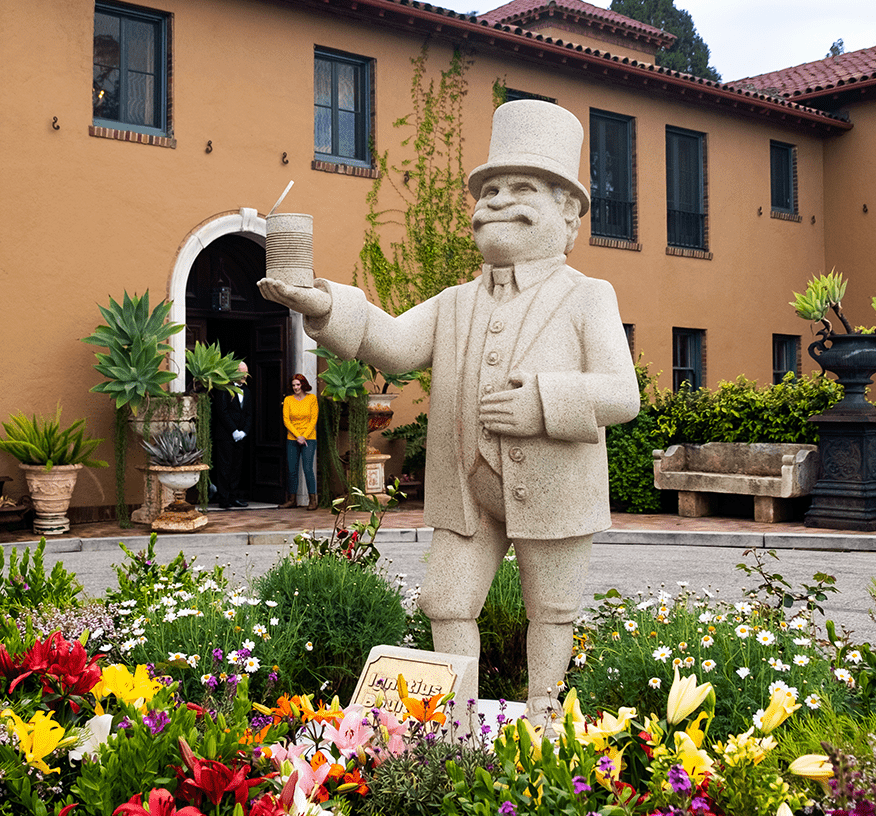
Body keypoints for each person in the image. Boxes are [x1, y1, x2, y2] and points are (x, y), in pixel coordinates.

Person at [257, 99, 640, 720]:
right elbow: (396, 345)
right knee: (446, 601)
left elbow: (623, 395)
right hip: (468, 487)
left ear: (568, 214)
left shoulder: (588, 296)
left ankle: (543, 710)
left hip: (555, 486)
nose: (492, 201)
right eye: (487, 189)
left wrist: (543, 403)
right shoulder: (456, 300)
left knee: (553, 608)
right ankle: (452, 721)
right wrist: (322, 305)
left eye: (518, 188)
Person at [210, 361, 252, 509]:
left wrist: (244, 432)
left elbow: (248, 413)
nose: (245, 376)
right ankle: (224, 498)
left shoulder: (246, 390)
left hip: (240, 436)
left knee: (237, 467)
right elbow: (222, 411)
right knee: (225, 466)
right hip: (226, 435)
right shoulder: (224, 389)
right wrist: (233, 430)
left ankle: (234, 496)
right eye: (242, 373)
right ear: (235, 372)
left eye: (246, 373)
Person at [281, 373, 319, 510]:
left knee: (308, 469)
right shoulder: (288, 400)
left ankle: (313, 500)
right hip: (292, 438)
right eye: (293, 385)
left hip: (309, 438)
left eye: (298, 384)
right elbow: (286, 420)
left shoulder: (312, 399)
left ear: (303, 385)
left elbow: (313, 419)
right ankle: (292, 500)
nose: (296, 387)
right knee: (292, 469)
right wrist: (298, 436)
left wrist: (304, 436)